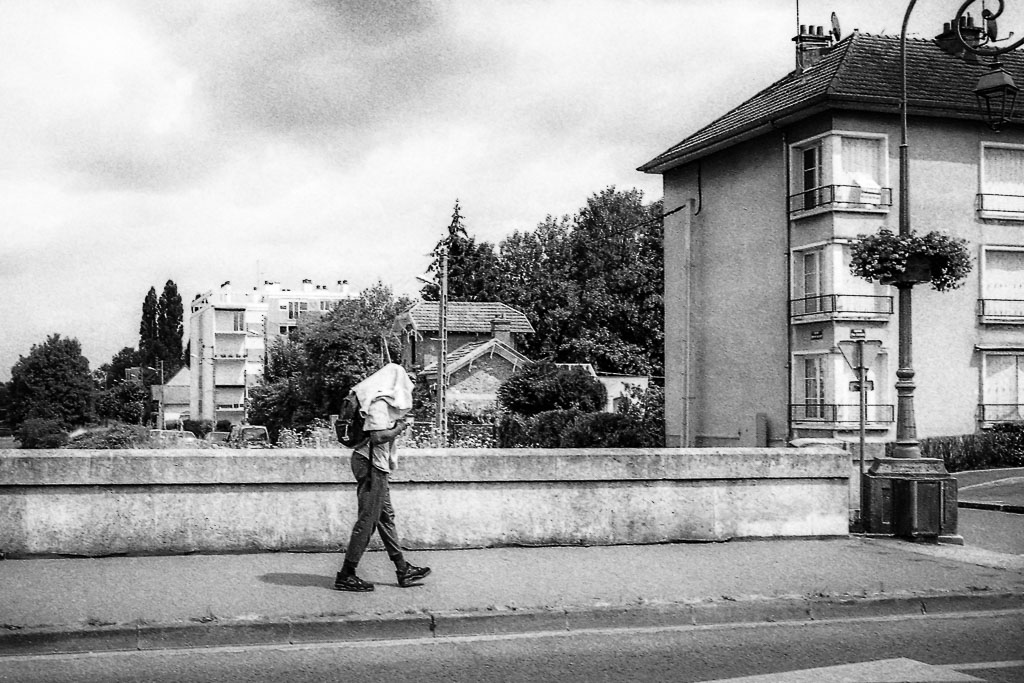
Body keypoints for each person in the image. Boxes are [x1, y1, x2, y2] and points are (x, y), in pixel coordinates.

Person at [335, 363, 431, 592]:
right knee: (367, 522)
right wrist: (400, 428)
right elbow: (378, 437)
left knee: (386, 517)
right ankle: (346, 575)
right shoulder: (378, 403)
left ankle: (402, 569)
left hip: (374, 464)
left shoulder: (380, 401)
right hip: (370, 466)